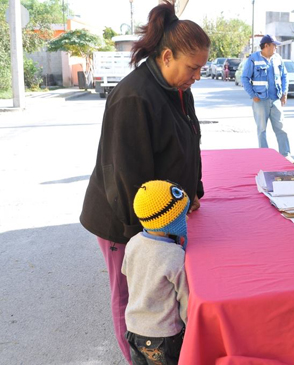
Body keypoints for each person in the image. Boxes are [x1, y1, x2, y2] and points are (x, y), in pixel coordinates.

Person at [79, 1, 210, 362]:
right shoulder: (134, 96)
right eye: (193, 67)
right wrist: (147, 236)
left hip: (160, 216)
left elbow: (189, 142)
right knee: (134, 302)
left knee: (158, 301)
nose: (197, 75)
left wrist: (192, 191)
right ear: (167, 56)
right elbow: (125, 176)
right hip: (127, 222)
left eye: (201, 68)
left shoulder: (178, 90)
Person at [123, 180, 191, 365]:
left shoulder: (133, 243)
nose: (184, 220)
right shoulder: (174, 255)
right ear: (169, 221)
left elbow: (127, 273)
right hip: (163, 335)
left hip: (134, 327)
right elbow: (186, 299)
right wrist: (192, 329)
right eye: (181, 216)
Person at [241, 34, 293, 163]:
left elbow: (284, 76)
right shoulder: (253, 59)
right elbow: (245, 78)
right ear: (266, 46)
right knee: (262, 130)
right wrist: (253, 95)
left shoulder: (278, 59)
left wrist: (284, 93)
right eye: (274, 45)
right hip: (260, 100)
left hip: (275, 99)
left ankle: (285, 155)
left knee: (281, 128)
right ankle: (264, 156)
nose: (275, 48)